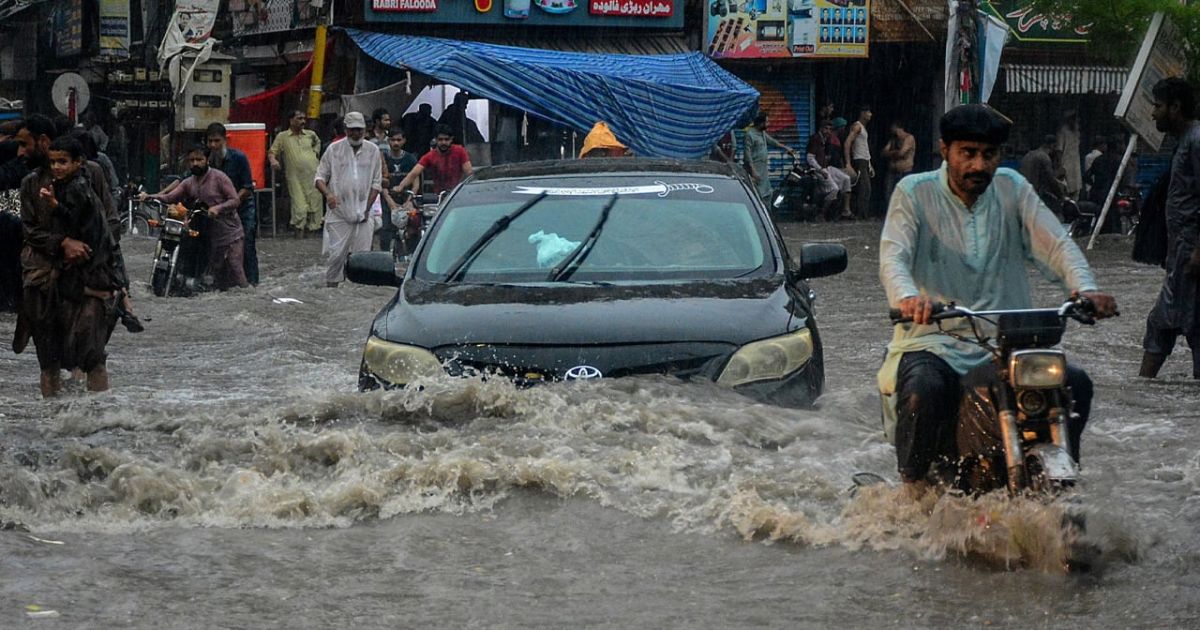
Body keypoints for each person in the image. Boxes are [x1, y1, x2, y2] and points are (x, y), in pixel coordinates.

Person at [878, 104, 1117, 493]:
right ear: (945, 150)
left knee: (1076, 383)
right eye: (967, 153)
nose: (978, 165)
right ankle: (913, 491)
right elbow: (894, 256)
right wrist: (908, 298)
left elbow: (1056, 246)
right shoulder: (913, 193)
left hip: (1008, 343)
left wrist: (1084, 289)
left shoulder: (1012, 188)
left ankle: (1057, 480)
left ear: (999, 157)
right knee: (924, 390)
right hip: (934, 339)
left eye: (988, 155)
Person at [18, 133, 124, 396]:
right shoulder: (31, 184)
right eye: (54, 162)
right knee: (48, 359)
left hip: (89, 278)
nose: (19, 152)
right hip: (44, 278)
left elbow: (110, 223)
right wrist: (63, 243)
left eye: (24, 144)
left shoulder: (92, 175)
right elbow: (30, 231)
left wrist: (91, 252)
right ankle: (53, 423)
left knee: (93, 358)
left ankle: (98, 422)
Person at [1139, 78, 1200, 379]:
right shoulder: (1185, 143)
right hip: (1181, 253)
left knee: (1176, 324)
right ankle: (1143, 396)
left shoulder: (1197, 141)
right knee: (1171, 324)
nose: (1153, 114)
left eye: (1158, 106)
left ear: (1175, 108)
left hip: (1191, 254)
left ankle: (1141, 396)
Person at [142, 145, 248, 291]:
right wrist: (149, 196)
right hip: (208, 233)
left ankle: (245, 291)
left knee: (235, 266)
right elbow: (169, 197)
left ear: (207, 160)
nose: (195, 163)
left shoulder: (219, 178)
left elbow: (235, 200)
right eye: (192, 160)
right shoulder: (189, 182)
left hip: (230, 231)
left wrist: (218, 208)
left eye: (199, 159)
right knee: (211, 272)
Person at [315, 112, 382, 288]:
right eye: (352, 130)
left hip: (364, 213)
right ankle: (332, 292)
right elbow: (319, 178)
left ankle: (359, 293)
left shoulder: (373, 151)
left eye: (359, 130)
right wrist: (328, 194)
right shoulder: (333, 149)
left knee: (362, 258)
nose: (356, 134)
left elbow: (376, 183)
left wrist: (367, 210)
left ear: (365, 130)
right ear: (345, 130)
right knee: (336, 255)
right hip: (339, 212)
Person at [206, 123, 259, 286]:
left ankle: (252, 283)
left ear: (225, 140)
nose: (213, 145)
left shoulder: (239, 158)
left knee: (247, 246)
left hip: (243, 209)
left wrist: (232, 201)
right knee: (218, 248)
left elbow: (247, 187)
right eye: (210, 142)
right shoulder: (206, 160)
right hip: (220, 213)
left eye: (217, 141)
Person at [269, 110, 324, 238]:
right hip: (294, 177)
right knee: (299, 206)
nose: (303, 121)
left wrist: (315, 154)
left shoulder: (310, 135)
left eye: (304, 119)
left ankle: (311, 236)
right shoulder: (283, 136)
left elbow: (318, 143)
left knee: (315, 204)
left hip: (313, 174)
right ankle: (298, 233)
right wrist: (273, 160)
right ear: (291, 120)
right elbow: (272, 151)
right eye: (299, 118)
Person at [396, 124, 474, 196]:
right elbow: (414, 173)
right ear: (435, 140)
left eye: (446, 139)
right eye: (440, 139)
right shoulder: (430, 156)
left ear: (451, 139)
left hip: (457, 193)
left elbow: (469, 172)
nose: (443, 142)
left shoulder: (460, 151)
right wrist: (400, 186)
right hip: (439, 196)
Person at [742, 112, 798, 206]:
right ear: (761, 123)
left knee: (768, 194)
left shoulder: (762, 133)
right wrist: (753, 171)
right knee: (756, 195)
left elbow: (772, 142)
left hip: (763, 170)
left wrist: (786, 148)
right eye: (767, 122)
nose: (768, 124)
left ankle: (768, 216)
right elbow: (747, 156)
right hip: (755, 170)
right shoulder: (750, 135)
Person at [380, 127, 419, 253]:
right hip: (387, 197)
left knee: (413, 226)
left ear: (404, 141)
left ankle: (412, 254)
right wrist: (389, 201)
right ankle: (384, 255)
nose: (395, 143)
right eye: (392, 140)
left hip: (407, 197)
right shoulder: (383, 159)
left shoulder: (410, 159)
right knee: (386, 228)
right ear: (388, 141)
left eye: (399, 140)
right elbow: (380, 183)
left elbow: (416, 184)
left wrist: (409, 200)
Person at [805, 119, 852, 219]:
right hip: (818, 169)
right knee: (834, 189)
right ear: (821, 129)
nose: (828, 131)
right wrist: (820, 170)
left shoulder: (824, 140)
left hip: (826, 167)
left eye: (830, 129)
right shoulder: (816, 139)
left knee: (846, 179)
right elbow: (810, 158)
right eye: (826, 128)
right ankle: (822, 213)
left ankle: (845, 210)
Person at [1019, 134, 1066, 213]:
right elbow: (1051, 181)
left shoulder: (1029, 154)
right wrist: (1061, 196)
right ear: (1052, 145)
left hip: (1021, 193)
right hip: (1032, 195)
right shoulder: (1044, 157)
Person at [843, 105, 874, 219]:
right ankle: (861, 214)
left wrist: (870, 164)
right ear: (863, 113)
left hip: (865, 160)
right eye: (868, 112)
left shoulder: (863, 129)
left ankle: (863, 213)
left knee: (866, 189)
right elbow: (848, 143)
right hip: (859, 160)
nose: (870, 115)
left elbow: (864, 147)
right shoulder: (857, 127)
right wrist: (848, 163)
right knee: (864, 188)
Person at [881, 119, 916, 206]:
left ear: (900, 129)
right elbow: (884, 152)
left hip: (905, 170)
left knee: (904, 194)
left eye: (895, 130)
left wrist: (892, 153)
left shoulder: (909, 138)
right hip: (892, 170)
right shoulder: (893, 140)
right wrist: (894, 153)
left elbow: (902, 153)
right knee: (888, 193)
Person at [1057, 110, 1082, 200]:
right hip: (1066, 165)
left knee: (1076, 191)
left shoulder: (1076, 131)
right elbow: (1059, 150)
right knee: (1065, 191)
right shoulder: (1063, 131)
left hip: (1076, 166)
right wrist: (1060, 166)